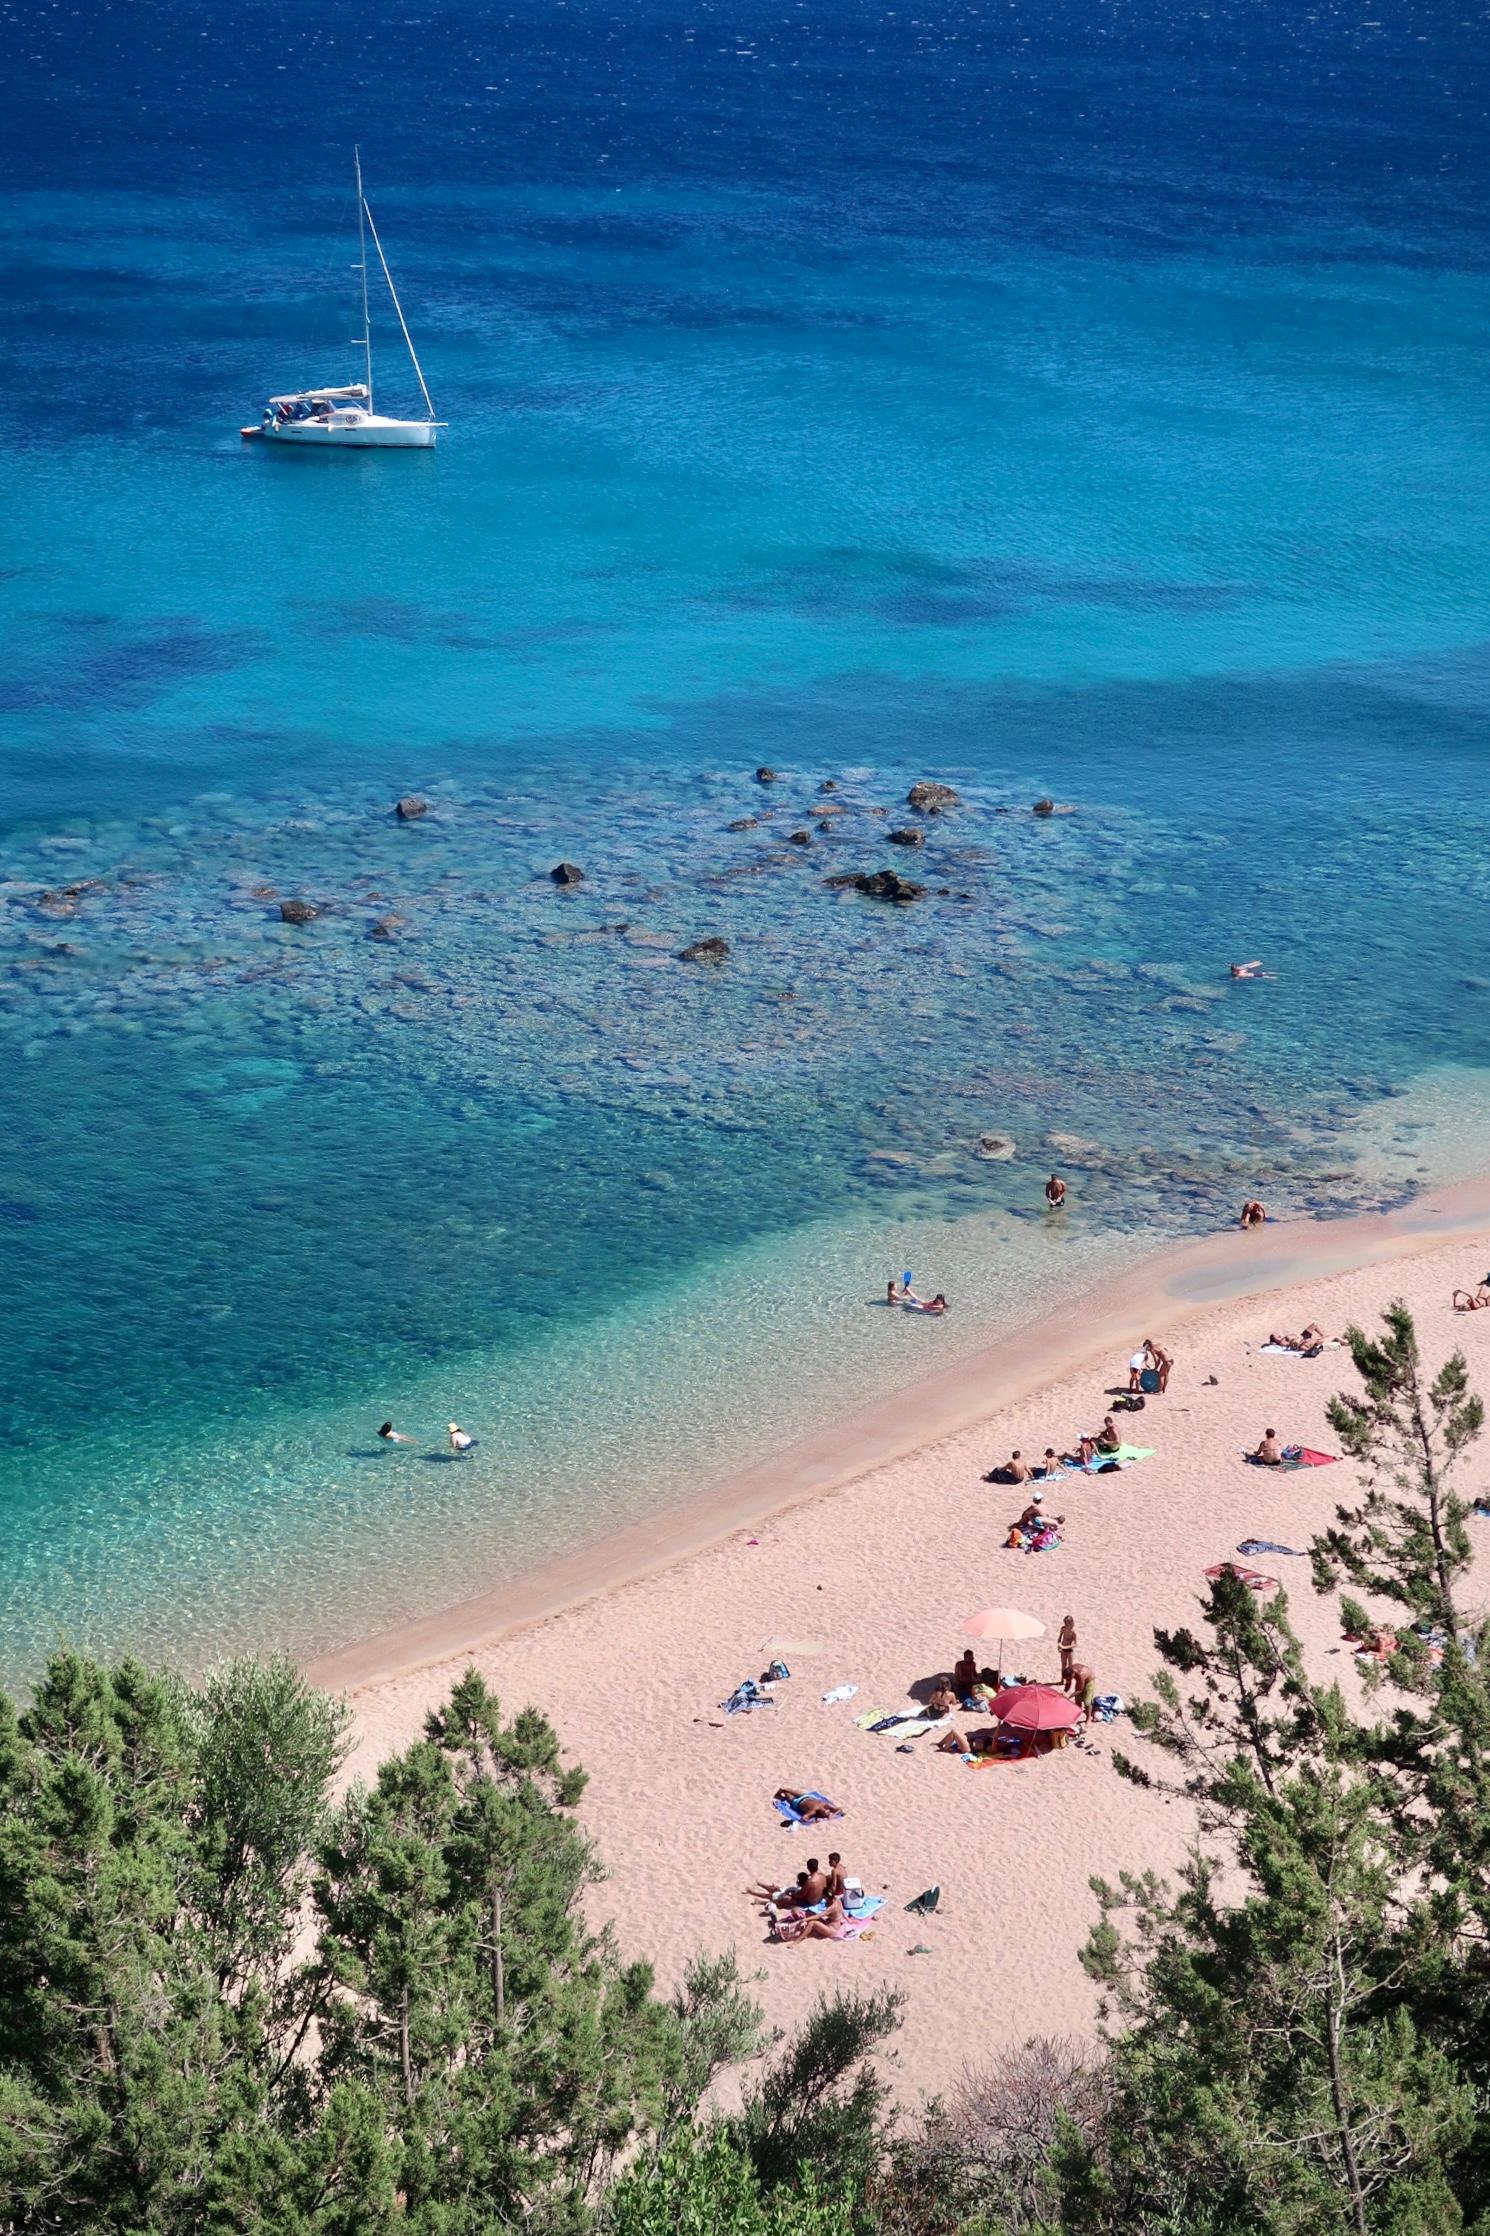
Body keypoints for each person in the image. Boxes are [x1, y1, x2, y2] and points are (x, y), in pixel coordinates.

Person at [773, 1789, 842, 1823]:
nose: (827, 1810)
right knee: (785, 1789)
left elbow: (803, 1818)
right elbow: (839, 1809)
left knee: (786, 1793)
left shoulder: (813, 1811)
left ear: (821, 1814)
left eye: (826, 1813)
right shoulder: (825, 1806)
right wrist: (832, 1816)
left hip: (796, 1802)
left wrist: (814, 1821)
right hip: (805, 1797)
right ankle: (780, 1796)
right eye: (829, 1811)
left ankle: (779, 1796)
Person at [1058, 1613, 1077, 1689]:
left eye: (1068, 1623)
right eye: (1066, 1623)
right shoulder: (1063, 1629)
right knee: (1063, 1665)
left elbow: (1075, 1644)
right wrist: (1059, 1646)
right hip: (1063, 1648)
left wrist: (1065, 1646)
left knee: (1070, 1667)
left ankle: (1069, 1682)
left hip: (1069, 1649)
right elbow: (1059, 1638)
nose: (1067, 1624)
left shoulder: (1073, 1632)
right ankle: (1062, 1680)